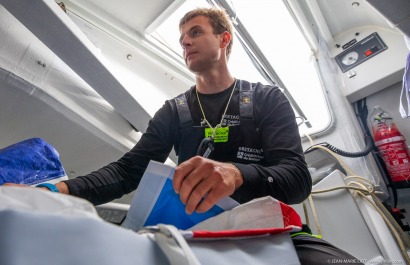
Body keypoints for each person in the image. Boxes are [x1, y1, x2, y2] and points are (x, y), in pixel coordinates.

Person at [13, 7, 362, 264]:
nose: (186, 43)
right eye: (182, 40)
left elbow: (297, 179)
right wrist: (56, 189)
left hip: (272, 231)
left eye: (195, 33)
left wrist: (237, 174)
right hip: (194, 237)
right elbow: (127, 171)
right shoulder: (174, 110)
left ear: (224, 39)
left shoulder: (266, 98)